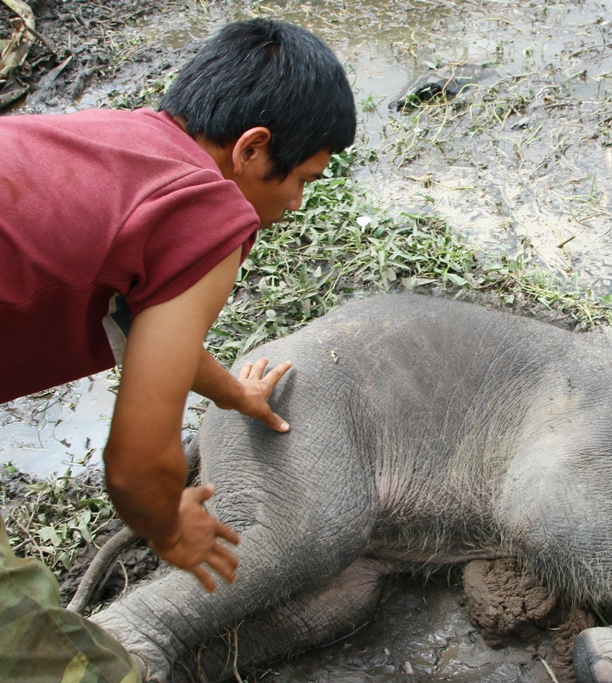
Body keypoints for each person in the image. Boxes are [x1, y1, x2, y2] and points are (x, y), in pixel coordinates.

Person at [0, 18, 355, 680]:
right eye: (301, 179)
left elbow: (146, 326)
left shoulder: (125, 144)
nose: (299, 203)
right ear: (252, 149)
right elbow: (136, 468)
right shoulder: (211, 212)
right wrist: (168, 529)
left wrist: (230, 391)